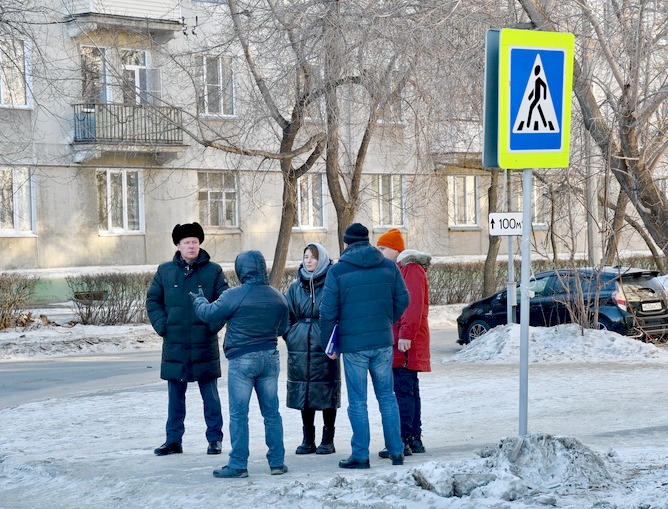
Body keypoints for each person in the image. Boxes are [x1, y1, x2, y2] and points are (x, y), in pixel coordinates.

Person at [192, 250, 290, 479]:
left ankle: (238, 464)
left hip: (242, 360)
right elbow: (284, 328)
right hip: (269, 356)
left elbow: (208, 314)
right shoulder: (277, 296)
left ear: (241, 270)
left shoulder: (234, 295)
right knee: (272, 413)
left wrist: (198, 300)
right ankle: (277, 462)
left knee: (239, 414)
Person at [320, 223, 409, 469]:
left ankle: (360, 455)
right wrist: (387, 320)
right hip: (382, 342)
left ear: (346, 244)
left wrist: (329, 345)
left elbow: (327, 312)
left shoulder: (337, 271)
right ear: (368, 242)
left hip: (353, 346)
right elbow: (404, 299)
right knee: (387, 397)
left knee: (358, 401)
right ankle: (397, 451)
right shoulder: (389, 266)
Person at [146, 222, 229, 457]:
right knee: (175, 396)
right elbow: (153, 301)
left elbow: (224, 302)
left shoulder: (213, 271)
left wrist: (211, 326)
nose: (191, 246)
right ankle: (173, 440)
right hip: (175, 344)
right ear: (178, 245)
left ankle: (215, 439)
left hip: (204, 343)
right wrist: (164, 326)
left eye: (194, 241)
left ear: (199, 243)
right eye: (186, 242)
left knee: (210, 395)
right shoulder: (165, 271)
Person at [376, 228, 431, 458]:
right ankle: (413, 438)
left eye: (383, 248)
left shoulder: (410, 268)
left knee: (403, 389)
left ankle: (403, 440)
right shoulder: (401, 269)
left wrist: (405, 335)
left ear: (396, 249)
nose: (379, 253)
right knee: (408, 388)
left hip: (406, 341)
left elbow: (412, 305)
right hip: (403, 339)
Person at [284, 243, 340, 456]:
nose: (308, 261)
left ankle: (328, 439)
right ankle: (308, 438)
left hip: (324, 344)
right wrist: (291, 335)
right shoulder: (295, 287)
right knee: (304, 392)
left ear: (322, 260)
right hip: (299, 346)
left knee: (326, 390)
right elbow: (286, 314)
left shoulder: (331, 285)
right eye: (306, 256)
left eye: (313, 257)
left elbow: (338, 313)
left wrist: (333, 340)